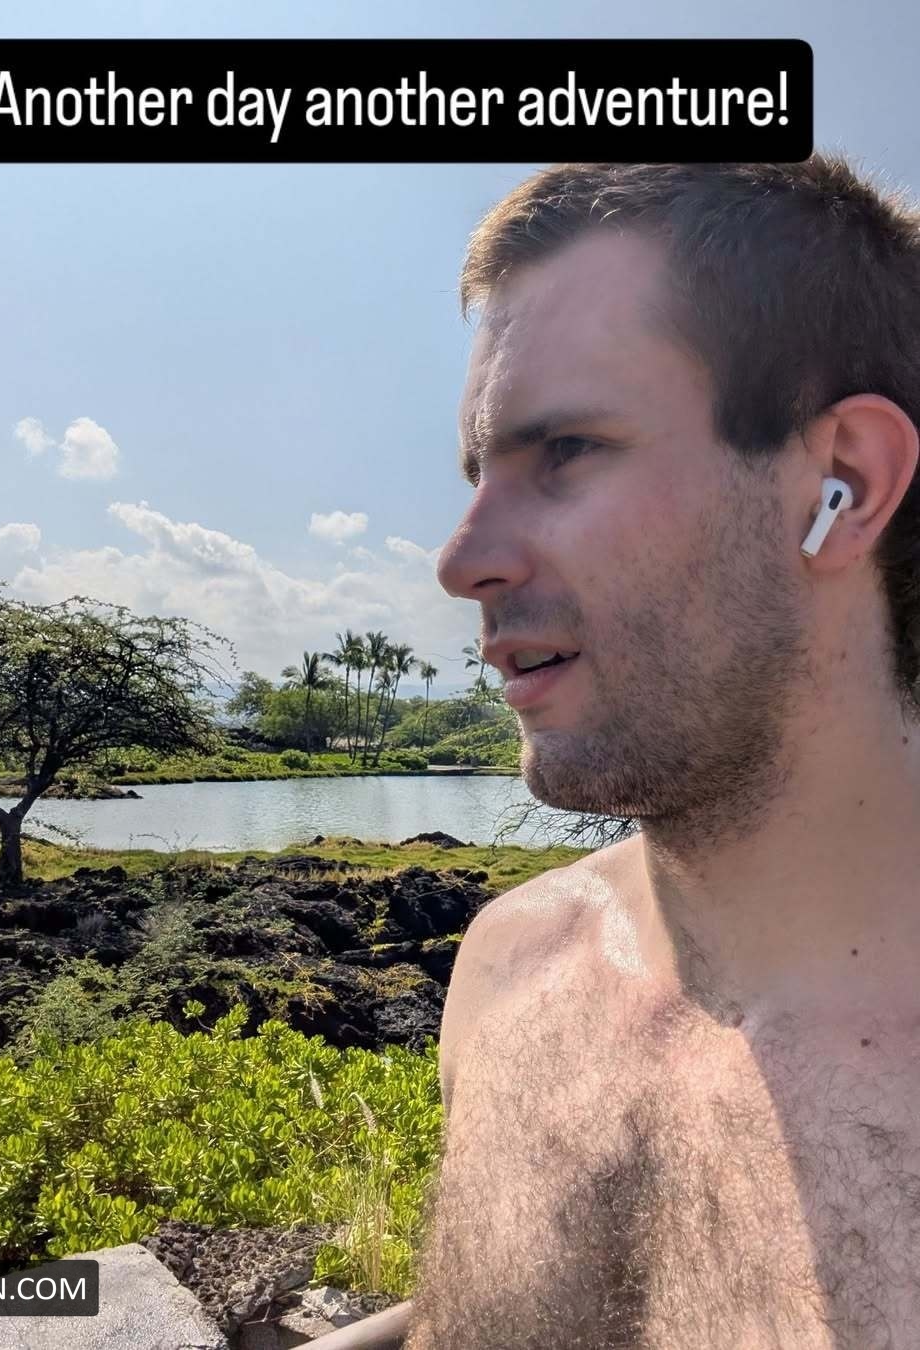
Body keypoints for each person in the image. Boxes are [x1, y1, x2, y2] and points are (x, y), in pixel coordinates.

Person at [404, 155, 920, 1348]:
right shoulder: (508, 970)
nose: (461, 560)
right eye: (481, 474)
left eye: (568, 449)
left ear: (843, 484)